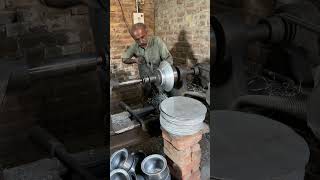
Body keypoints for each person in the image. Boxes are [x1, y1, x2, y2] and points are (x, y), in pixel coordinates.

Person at [122, 23, 173, 100]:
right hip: (146, 80)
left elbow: (168, 59)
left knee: (162, 99)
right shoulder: (134, 46)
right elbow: (124, 59)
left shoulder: (157, 41)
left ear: (146, 32)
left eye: (142, 37)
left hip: (160, 79)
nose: (141, 41)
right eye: (137, 39)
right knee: (147, 99)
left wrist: (162, 72)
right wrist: (135, 60)